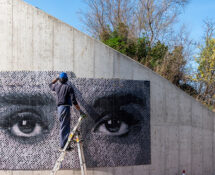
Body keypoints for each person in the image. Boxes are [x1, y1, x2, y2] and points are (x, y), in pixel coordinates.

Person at [49, 72, 82, 151]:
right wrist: (80, 110)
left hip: (60, 108)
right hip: (65, 108)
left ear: (60, 80)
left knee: (63, 126)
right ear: (66, 79)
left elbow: (50, 84)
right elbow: (74, 101)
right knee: (65, 127)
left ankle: (65, 144)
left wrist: (56, 78)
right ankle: (63, 146)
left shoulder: (56, 86)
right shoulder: (69, 87)